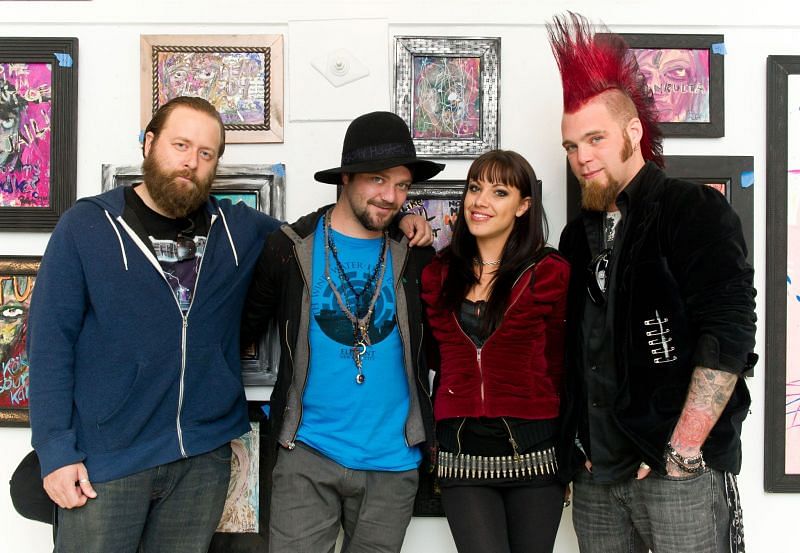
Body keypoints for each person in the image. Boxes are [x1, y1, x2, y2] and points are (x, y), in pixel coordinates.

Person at [547, 13, 757, 553]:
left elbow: (730, 331)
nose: (582, 158)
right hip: (596, 475)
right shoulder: (577, 235)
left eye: (595, 138)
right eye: (571, 146)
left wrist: (684, 450)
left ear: (633, 130)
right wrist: (577, 445)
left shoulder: (692, 210)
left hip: (674, 474)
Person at [241, 110, 444, 553]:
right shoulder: (290, 248)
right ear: (346, 178)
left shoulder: (416, 256)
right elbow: (242, 328)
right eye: (377, 179)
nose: (391, 196)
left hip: (393, 461)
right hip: (307, 453)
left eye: (403, 185)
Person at [420, 150, 569, 553]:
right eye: (474, 188)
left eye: (499, 191)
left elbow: (562, 364)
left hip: (536, 451)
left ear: (523, 206)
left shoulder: (550, 271)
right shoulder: (436, 274)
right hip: (462, 451)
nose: (480, 201)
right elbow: (432, 358)